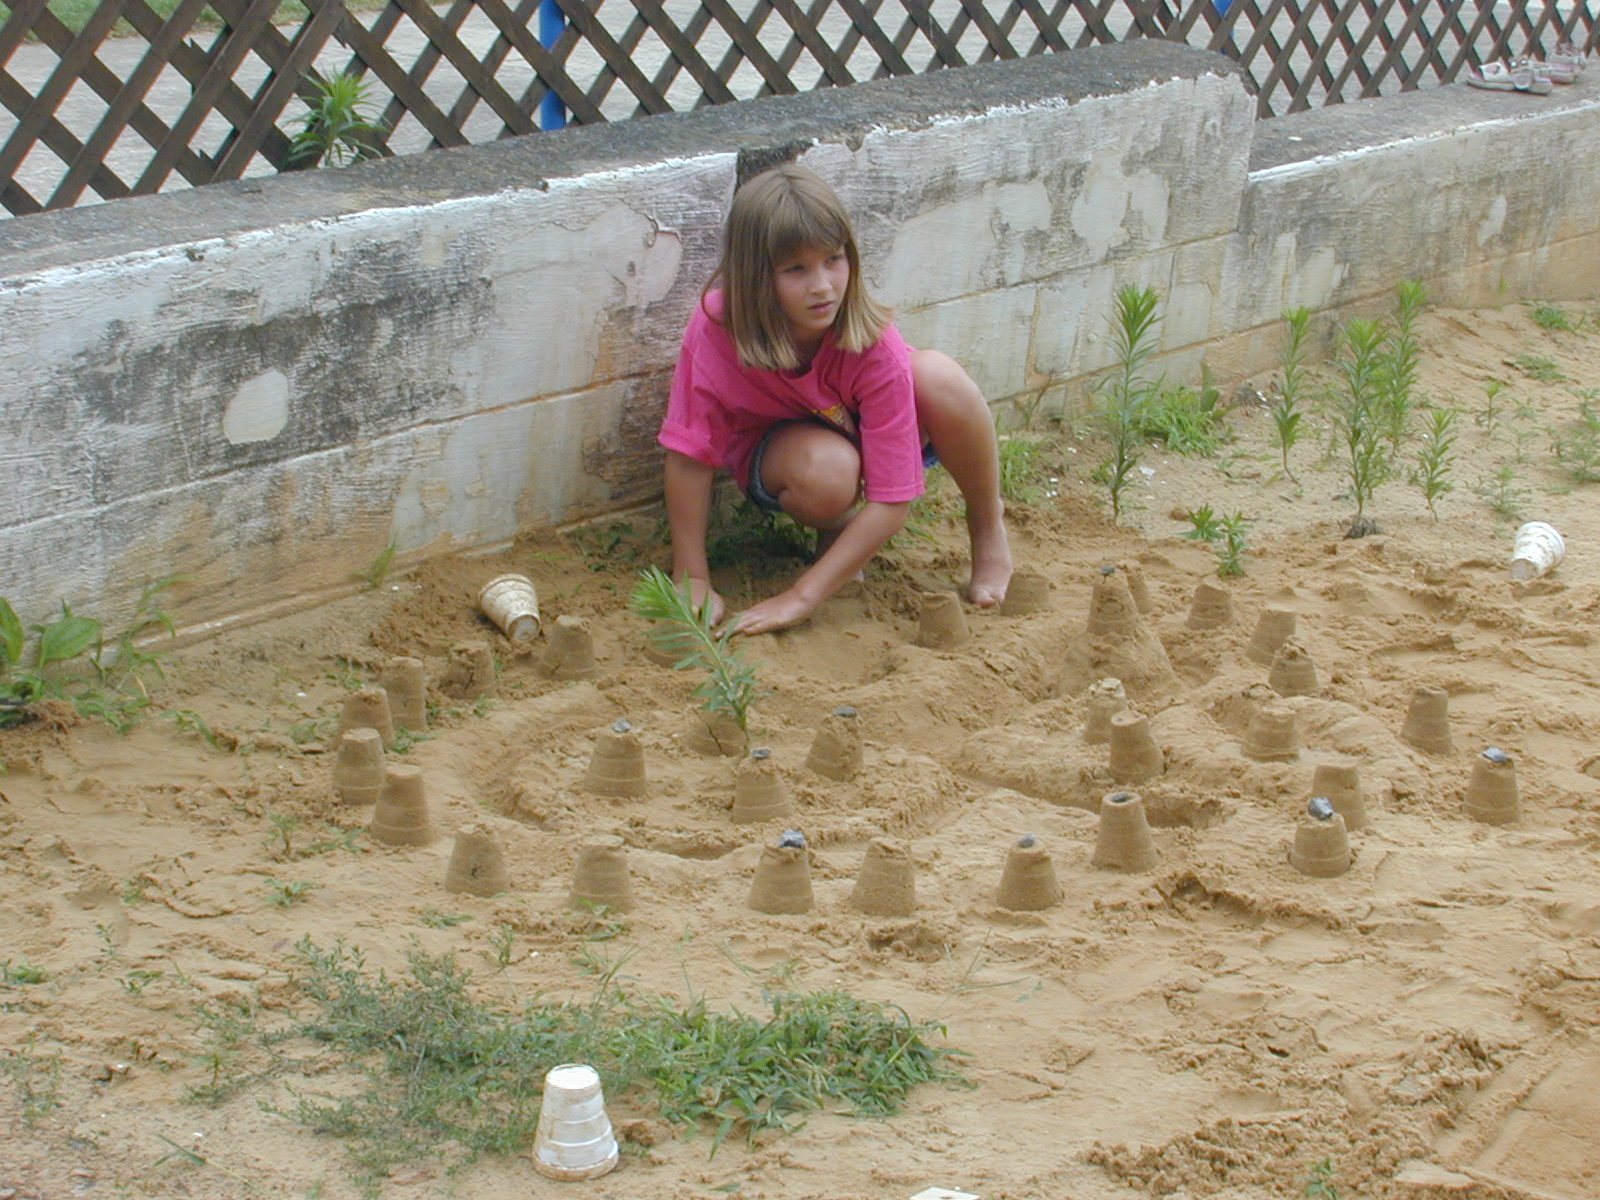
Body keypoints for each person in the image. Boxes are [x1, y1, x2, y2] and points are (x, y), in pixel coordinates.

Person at [657, 163, 1012, 635]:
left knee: (939, 377)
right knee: (828, 473)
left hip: (869, 434)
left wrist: (799, 597)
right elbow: (690, 454)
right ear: (754, 277)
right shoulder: (718, 329)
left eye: (833, 259)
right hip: (789, 456)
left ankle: (988, 527)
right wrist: (693, 576)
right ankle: (837, 525)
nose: (822, 285)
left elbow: (893, 500)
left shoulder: (872, 343)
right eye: (795, 269)